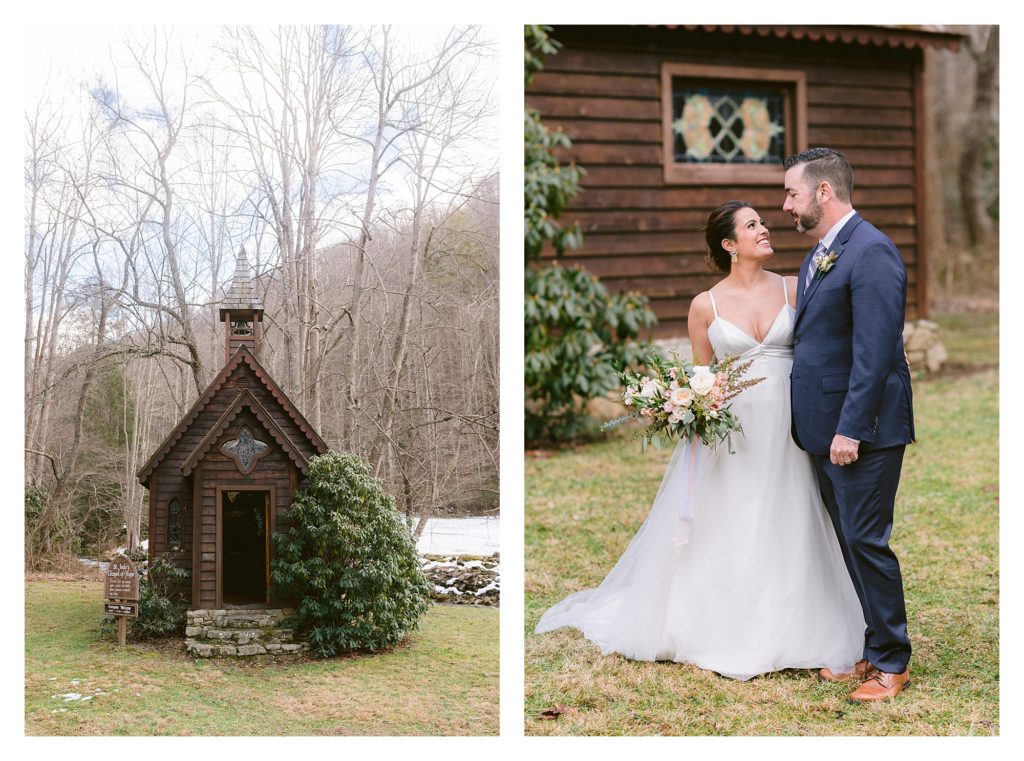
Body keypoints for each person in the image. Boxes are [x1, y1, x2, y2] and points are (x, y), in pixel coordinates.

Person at [535, 201, 865, 682]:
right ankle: (717, 623)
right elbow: (700, 375)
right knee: (732, 517)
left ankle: (795, 620)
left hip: (792, 424)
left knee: (789, 511)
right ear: (730, 244)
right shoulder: (704, 306)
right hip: (733, 431)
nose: (765, 229)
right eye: (752, 225)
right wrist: (687, 404)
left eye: (763, 222)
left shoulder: (796, 287)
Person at [784, 147, 915, 701]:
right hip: (822, 429)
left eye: (791, 193)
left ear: (823, 192)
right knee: (847, 540)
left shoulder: (872, 252)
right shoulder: (819, 255)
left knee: (866, 540)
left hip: (863, 430)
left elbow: (876, 352)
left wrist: (851, 428)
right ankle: (871, 646)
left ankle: (893, 662)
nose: (784, 205)